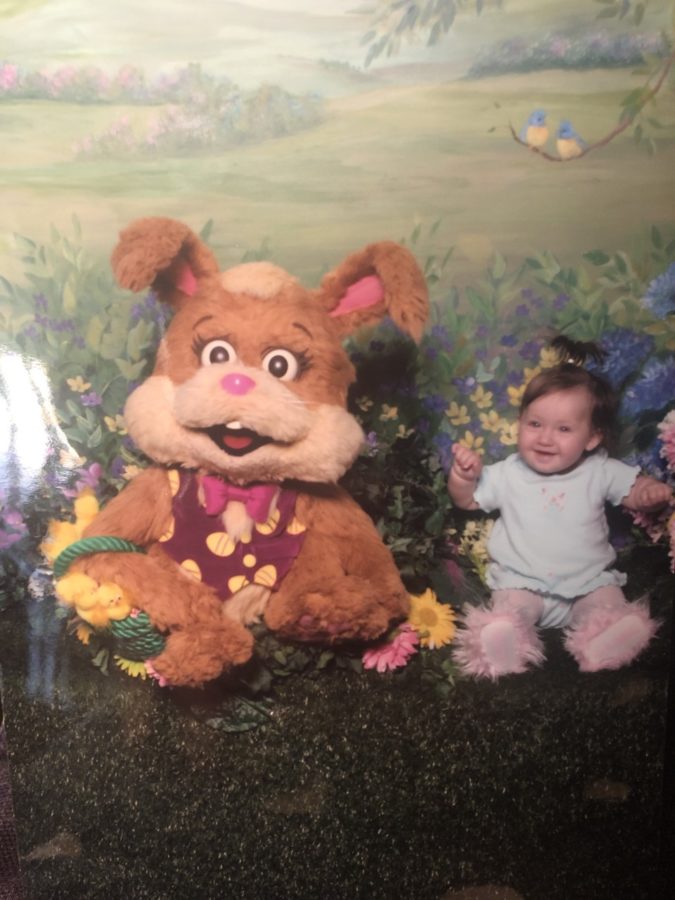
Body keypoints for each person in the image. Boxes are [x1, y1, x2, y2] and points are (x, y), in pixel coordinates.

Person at [447, 338, 673, 679]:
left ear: (592, 438)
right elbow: (466, 500)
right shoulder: (508, 472)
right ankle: (502, 646)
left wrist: (649, 492)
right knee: (510, 610)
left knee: (607, 605)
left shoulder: (600, 469)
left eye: (563, 429)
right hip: (522, 581)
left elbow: (633, 490)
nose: (545, 438)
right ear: (520, 421)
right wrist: (462, 477)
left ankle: (604, 642)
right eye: (534, 424)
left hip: (589, 582)